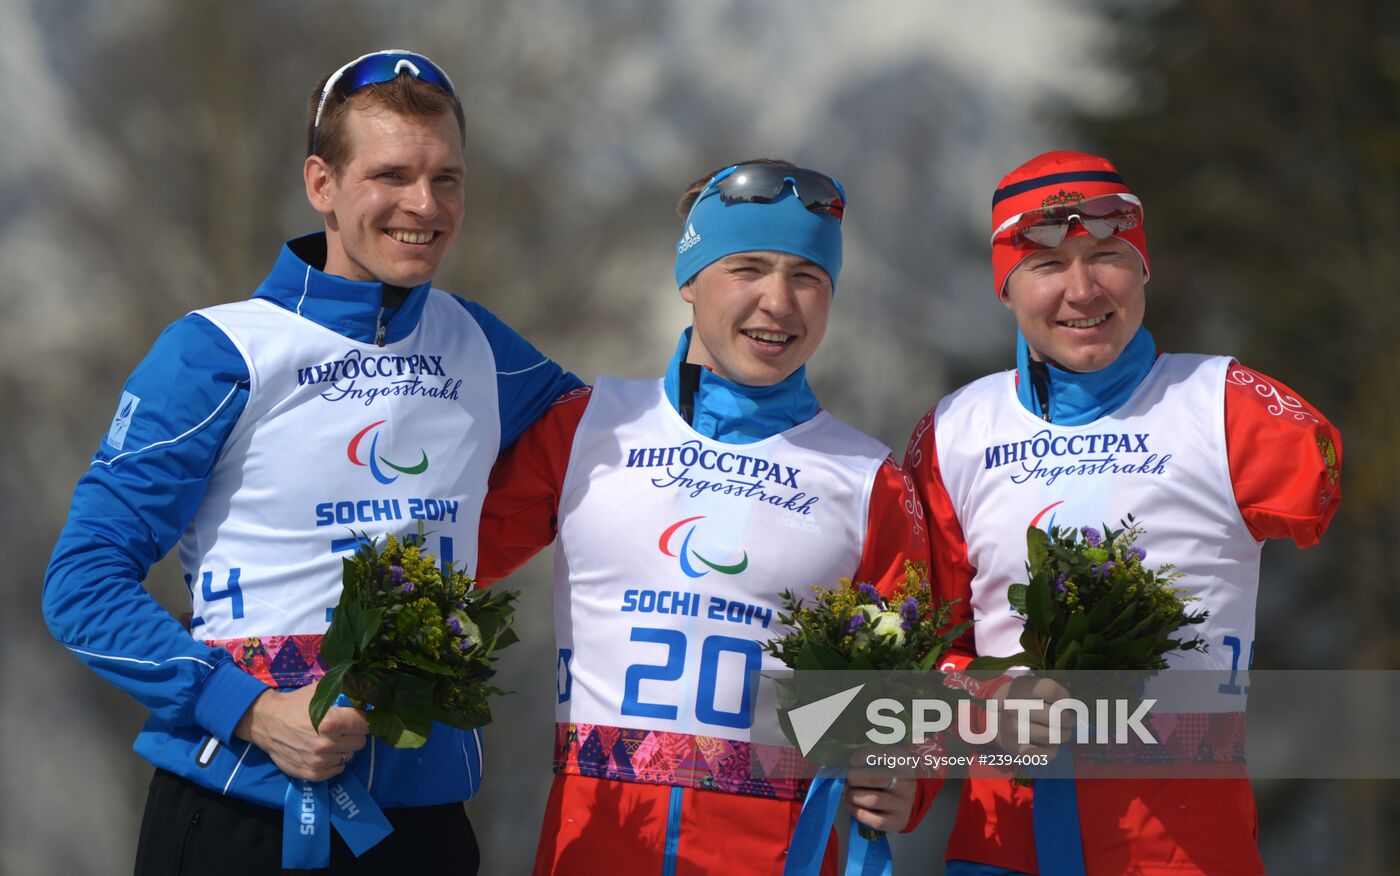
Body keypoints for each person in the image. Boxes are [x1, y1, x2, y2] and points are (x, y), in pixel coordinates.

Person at [42, 49, 581, 874]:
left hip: (424, 820)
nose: (424, 206)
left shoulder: (479, 345)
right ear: (321, 184)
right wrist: (249, 709)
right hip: (242, 807)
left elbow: (634, 460)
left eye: (447, 178)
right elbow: (81, 585)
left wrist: (853, 744)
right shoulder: (219, 351)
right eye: (391, 174)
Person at [475, 159, 934, 875]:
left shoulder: (869, 479)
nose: (778, 302)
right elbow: (439, 566)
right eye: (747, 268)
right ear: (689, 279)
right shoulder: (586, 428)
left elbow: (916, 690)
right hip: (593, 848)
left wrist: (914, 778)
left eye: (807, 277)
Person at [903, 150, 1343, 875]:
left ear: (1142, 268)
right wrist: (988, 701)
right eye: (1047, 267)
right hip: (1004, 845)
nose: (1082, 289)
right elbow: (917, 652)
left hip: (1186, 852)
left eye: (1106, 255)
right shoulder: (955, 431)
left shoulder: (1228, 405)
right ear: (1006, 289)